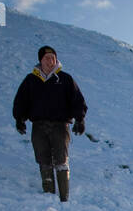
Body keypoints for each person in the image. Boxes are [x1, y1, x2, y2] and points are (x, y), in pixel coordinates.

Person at [12, 45, 87, 202]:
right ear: (40, 60)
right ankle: (49, 196)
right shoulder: (31, 80)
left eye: (53, 57)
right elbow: (21, 101)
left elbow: (77, 100)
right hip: (38, 126)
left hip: (60, 125)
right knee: (43, 159)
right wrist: (20, 118)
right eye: (47, 58)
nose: (50, 61)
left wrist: (80, 119)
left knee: (61, 159)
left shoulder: (65, 79)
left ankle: (64, 198)